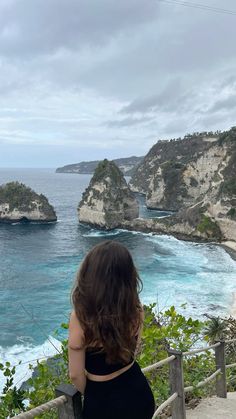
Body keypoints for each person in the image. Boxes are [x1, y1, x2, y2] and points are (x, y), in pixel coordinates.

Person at [69, 240, 155, 419]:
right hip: (138, 391)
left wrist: (96, 393)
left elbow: (75, 375)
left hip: (102, 403)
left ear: (89, 274)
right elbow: (133, 351)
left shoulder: (80, 317)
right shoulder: (136, 309)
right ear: (128, 276)